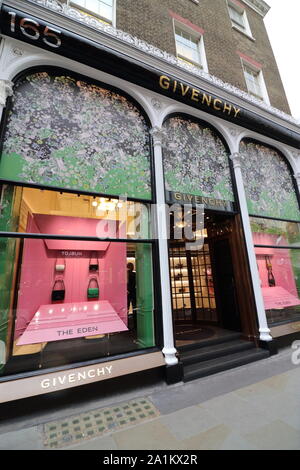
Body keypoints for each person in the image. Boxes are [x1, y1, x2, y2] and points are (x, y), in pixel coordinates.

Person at [127, 262, 137, 330]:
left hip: (127, 293)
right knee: (134, 308)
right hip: (134, 292)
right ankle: (136, 324)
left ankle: (126, 324)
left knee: (126, 309)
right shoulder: (134, 274)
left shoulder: (125, 274)